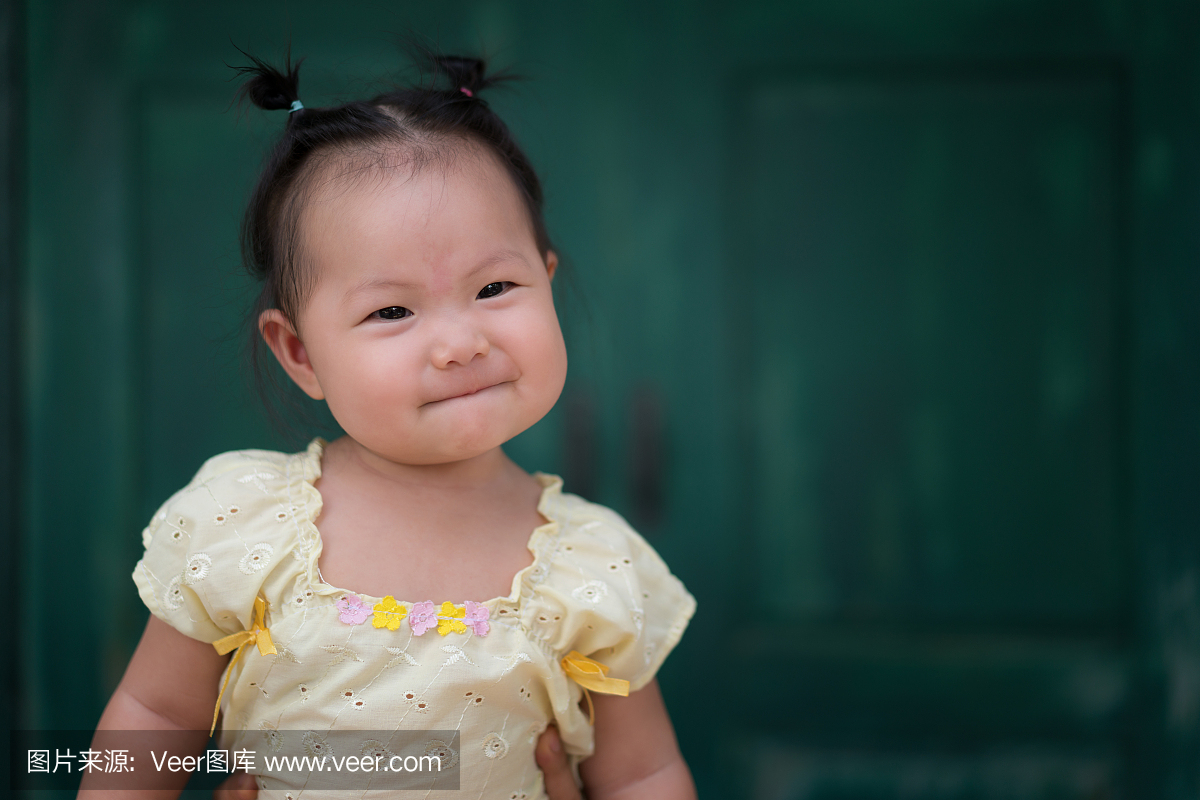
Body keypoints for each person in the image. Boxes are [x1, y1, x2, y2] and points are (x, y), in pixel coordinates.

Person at [80, 50, 696, 800]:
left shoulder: (592, 567)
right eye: (392, 311)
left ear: (549, 282)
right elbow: (151, 716)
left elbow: (643, 774)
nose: (461, 342)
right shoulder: (244, 528)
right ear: (301, 353)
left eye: (496, 287)